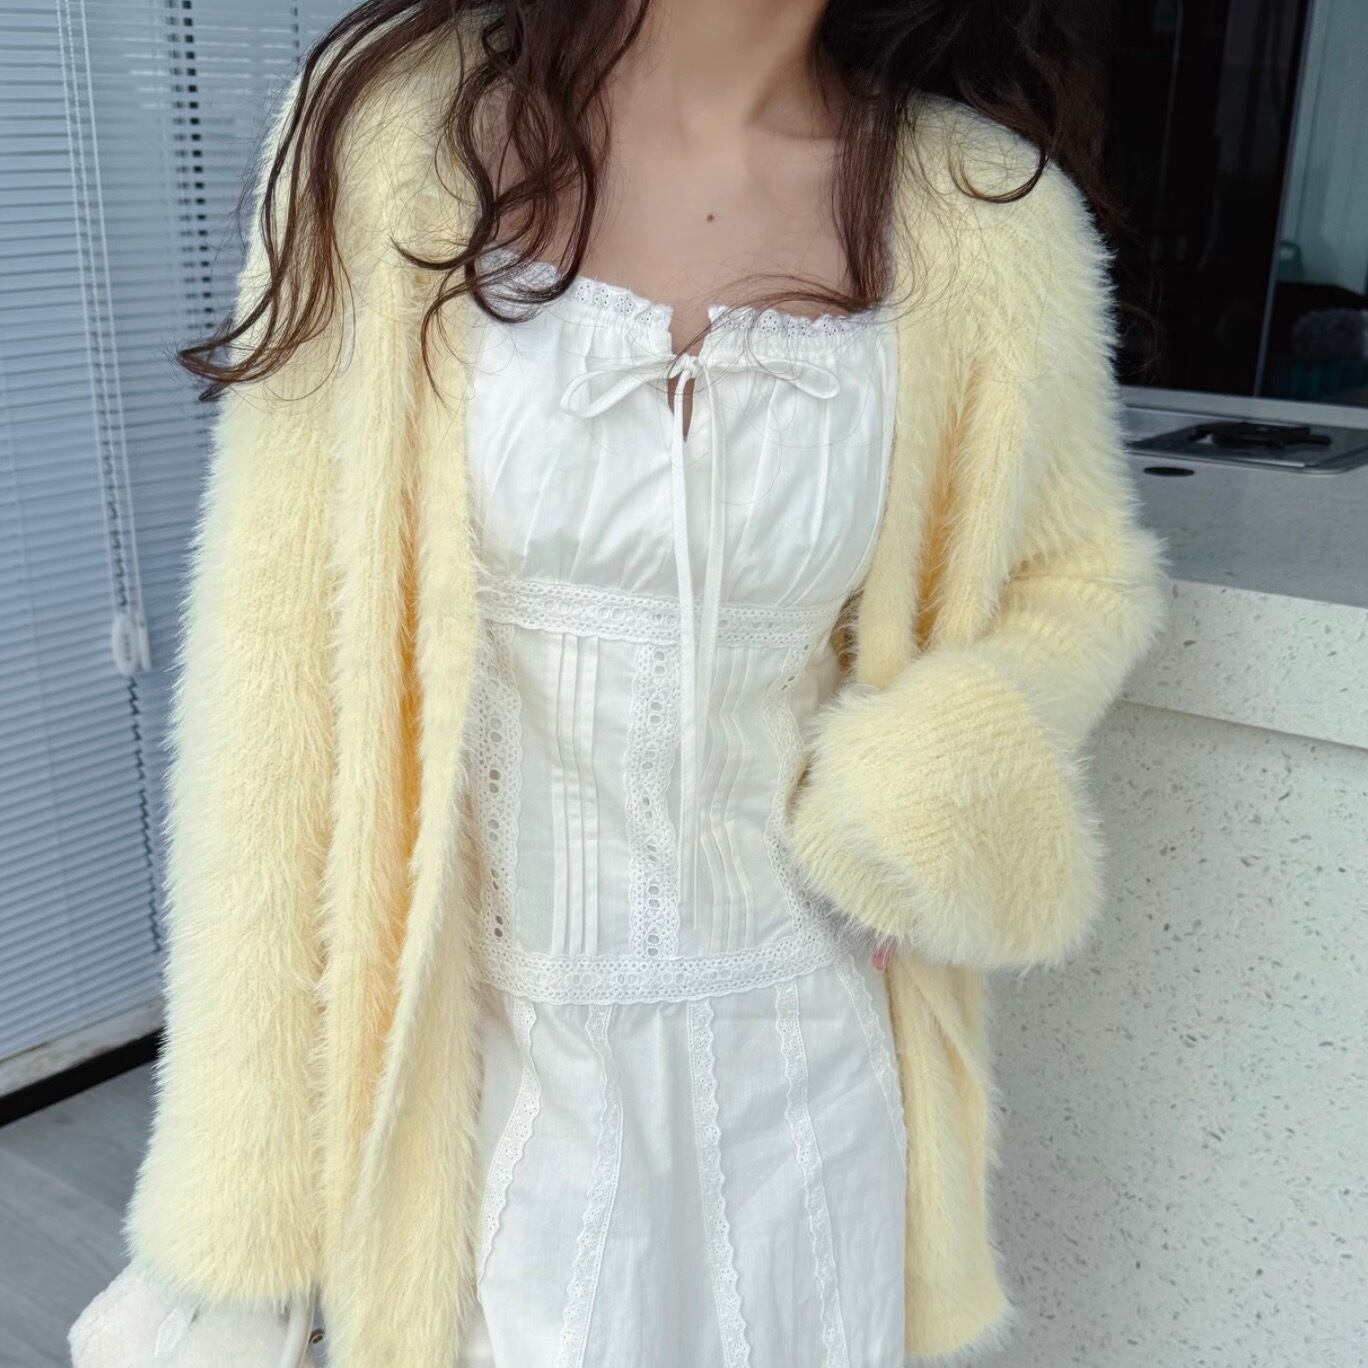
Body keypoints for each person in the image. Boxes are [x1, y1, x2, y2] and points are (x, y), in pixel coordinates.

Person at [71, 2, 1167, 1365]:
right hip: (474, 1084)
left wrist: (920, 776)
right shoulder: (400, 136)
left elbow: (1081, 578)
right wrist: (245, 1198)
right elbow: (274, 688)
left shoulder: (981, 221)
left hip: (805, 1076)